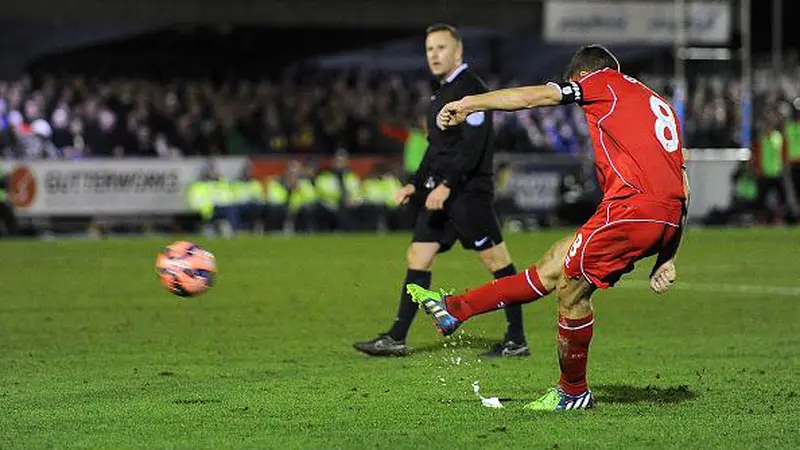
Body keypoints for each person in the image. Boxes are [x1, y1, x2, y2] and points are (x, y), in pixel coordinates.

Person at [406, 44, 690, 411]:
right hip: (662, 215)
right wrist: (667, 254)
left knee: (571, 289)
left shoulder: (600, 82)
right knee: (554, 265)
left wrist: (470, 103)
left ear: (579, 77)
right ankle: (455, 308)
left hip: (633, 208)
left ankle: (573, 392)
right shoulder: (659, 104)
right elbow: (683, 185)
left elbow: (534, 97)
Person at [353, 24, 528, 358]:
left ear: (458, 51)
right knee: (418, 255)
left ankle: (516, 338)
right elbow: (435, 149)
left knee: (496, 261)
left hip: (468, 193)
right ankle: (397, 337)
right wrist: (415, 184)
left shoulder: (471, 90)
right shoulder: (439, 94)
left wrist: (448, 186)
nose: (434, 55)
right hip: (439, 193)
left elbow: (473, 147)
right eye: (429, 49)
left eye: (441, 48)